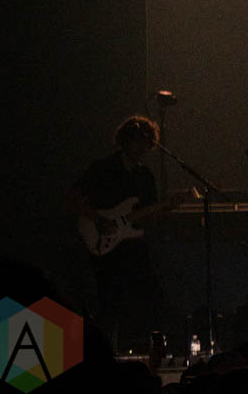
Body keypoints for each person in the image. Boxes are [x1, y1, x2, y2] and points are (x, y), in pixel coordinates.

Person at [66, 115, 175, 352]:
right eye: (137, 139)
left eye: (146, 141)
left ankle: (148, 349)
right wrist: (98, 219)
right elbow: (73, 198)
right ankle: (100, 353)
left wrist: (164, 209)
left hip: (132, 244)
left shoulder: (145, 176)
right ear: (125, 140)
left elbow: (145, 218)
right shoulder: (103, 168)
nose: (141, 146)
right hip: (103, 242)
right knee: (109, 301)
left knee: (153, 295)